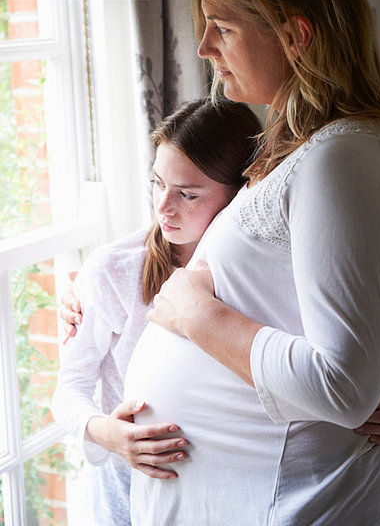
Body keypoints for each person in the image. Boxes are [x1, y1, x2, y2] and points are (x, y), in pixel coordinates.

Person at [121, 0, 380, 524]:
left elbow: (341, 386)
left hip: (289, 503)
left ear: (295, 36)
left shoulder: (343, 156)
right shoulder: (313, 151)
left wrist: (194, 312)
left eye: (221, 26)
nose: (202, 48)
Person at [51, 98, 264, 525]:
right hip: (127, 486)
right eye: (157, 183)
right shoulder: (114, 271)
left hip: (224, 490)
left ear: (242, 192)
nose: (164, 206)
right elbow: (67, 390)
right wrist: (108, 434)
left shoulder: (261, 274)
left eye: (186, 193)